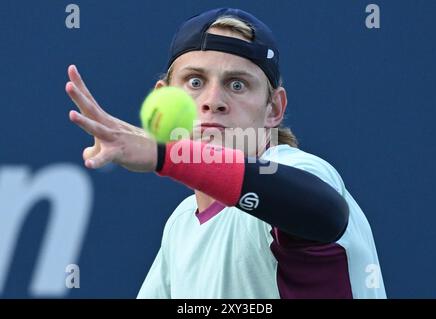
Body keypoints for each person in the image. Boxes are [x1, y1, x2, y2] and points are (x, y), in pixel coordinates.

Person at [66, 8, 386, 299]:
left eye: (237, 85)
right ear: (163, 97)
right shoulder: (181, 226)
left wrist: (167, 156)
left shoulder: (294, 168)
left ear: (273, 108)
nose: (213, 100)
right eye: (195, 81)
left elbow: (323, 211)